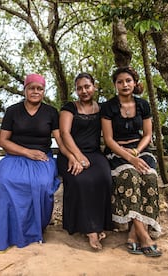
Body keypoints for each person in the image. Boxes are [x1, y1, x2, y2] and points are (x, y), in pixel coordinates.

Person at [0, 73, 64, 251]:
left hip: (42, 158)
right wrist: (27, 152)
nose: (35, 92)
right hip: (16, 156)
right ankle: (8, 232)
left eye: (39, 88)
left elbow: (60, 138)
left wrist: (74, 156)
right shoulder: (13, 110)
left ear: (44, 91)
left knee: (41, 185)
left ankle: (34, 231)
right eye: (32, 88)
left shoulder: (51, 112)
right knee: (4, 183)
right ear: (24, 90)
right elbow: (3, 141)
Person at [100, 66, 162, 257]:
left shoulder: (143, 105)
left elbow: (148, 134)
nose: (124, 85)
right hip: (117, 152)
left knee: (150, 178)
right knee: (130, 176)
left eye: (128, 81)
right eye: (120, 82)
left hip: (139, 150)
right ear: (115, 85)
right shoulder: (108, 107)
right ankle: (144, 236)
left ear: (134, 83)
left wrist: (136, 152)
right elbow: (108, 139)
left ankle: (133, 234)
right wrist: (129, 158)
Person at [57, 73, 112, 251]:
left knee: (104, 177)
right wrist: (78, 156)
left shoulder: (102, 109)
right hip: (70, 154)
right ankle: (90, 230)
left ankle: (100, 223)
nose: (84, 91)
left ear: (94, 87)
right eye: (79, 88)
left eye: (87, 86)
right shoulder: (69, 107)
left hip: (95, 154)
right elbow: (65, 134)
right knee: (80, 180)